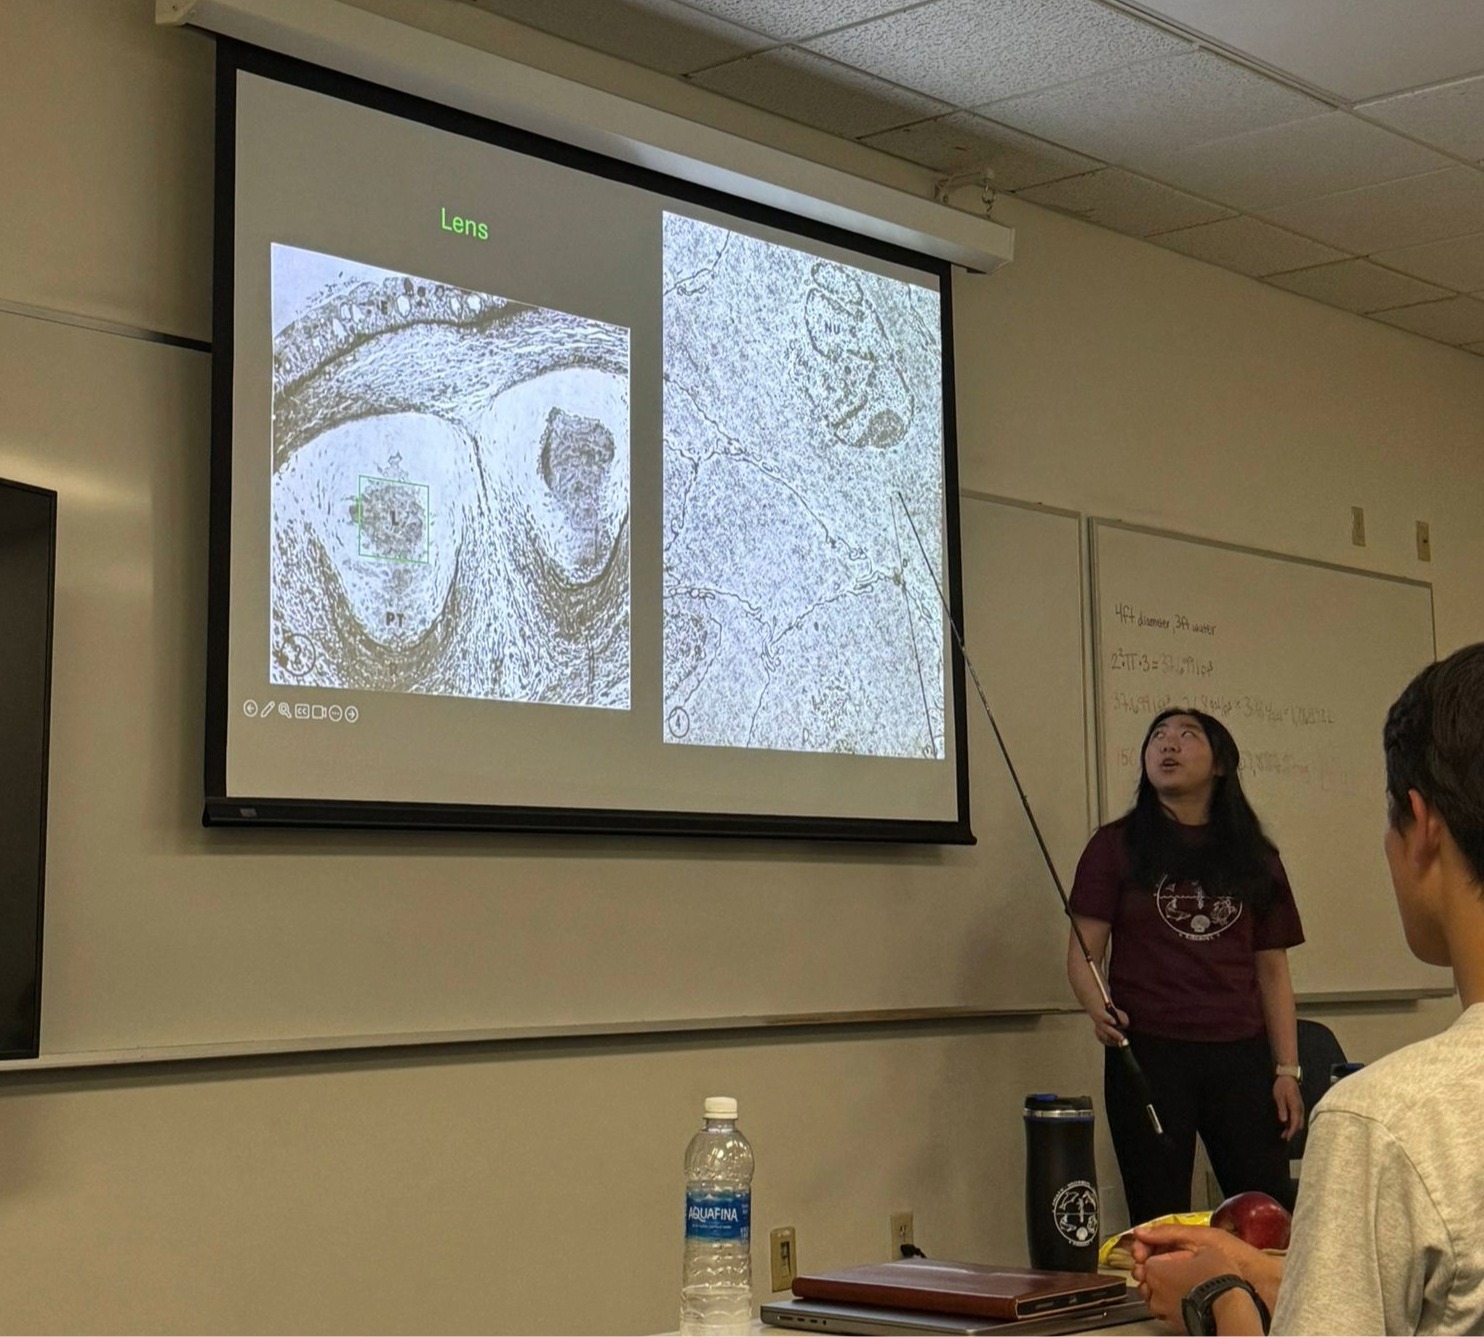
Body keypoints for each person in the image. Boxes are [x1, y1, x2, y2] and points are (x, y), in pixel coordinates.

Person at [1131, 642, 1484, 1335]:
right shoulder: (1122, 847)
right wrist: (1271, 1271)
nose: (1170, 745)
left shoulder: (1383, 1125)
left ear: (1422, 828)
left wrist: (1221, 1295)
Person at [1066, 708, 1305, 1227]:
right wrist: (1097, 1007)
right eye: (1158, 736)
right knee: (1158, 1217)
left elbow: (1273, 971)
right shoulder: (1114, 845)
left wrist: (1287, 1070)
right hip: (1149, 1052)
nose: (1167, 745)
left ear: (1220, 763)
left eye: (1186, 736)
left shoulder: (1255, 856)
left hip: (1240, 1053)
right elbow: (1084, 953)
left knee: (1264, 1212)